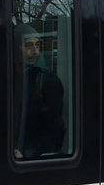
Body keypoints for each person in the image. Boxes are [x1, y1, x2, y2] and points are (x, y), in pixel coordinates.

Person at [13, 27, 66, 160]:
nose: (35, 51)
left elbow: (55, 125)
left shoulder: (47, 79)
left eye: (38, 45)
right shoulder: (7, 78)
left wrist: (31, 151)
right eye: (28, 45)